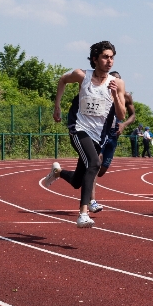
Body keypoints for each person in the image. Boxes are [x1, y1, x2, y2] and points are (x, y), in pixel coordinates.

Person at [42, 41, 126, 228]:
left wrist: (115, 96)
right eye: (105, 57)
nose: (109, 61)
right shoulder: (82, 75)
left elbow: (121, 115)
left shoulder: (117, 83)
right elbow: (62, 80)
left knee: (78, 181)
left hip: (98, 136)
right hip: (79, 128)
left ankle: (58, 172)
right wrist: (57, 106)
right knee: (95, 163)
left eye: (112, 57)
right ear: (95, 59)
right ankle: (83, 214)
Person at [87, 71, 136, 213]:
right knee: (96, 163)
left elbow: (133, 115)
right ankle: (92, 200)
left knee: (101, 171)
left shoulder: (126, 96)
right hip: (99, 132)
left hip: (113, 135)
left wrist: (123, 124)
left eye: (118, 81)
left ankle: (83, 178)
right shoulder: (99, 92)